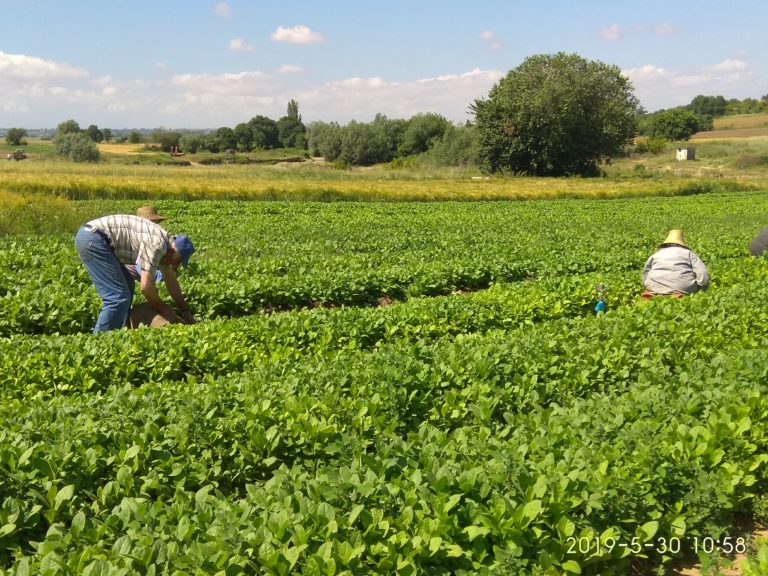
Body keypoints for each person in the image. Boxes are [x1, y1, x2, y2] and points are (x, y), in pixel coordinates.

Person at [75, 214, 195, 332]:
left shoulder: (166, 250)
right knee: (118, 298)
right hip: (94, 239)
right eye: (177, 261)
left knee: (128, 285)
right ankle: (99, 341)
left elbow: (171, 282)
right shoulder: (157, 244)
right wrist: (164, 308)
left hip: (97, 238)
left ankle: (119, 330)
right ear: (173, 252)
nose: (174, 265)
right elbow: (145, 287)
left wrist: (185, 311)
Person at [642, 229, 709, 298]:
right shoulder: (688, 253)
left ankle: (653, 293)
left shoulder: (656, 254)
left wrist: (646, 284)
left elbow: (646, 272)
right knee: (684, 286)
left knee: (653, 285)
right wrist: (702, 288)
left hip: (654, 284)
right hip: (682, 286)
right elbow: (702, 273)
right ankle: (677, 294)